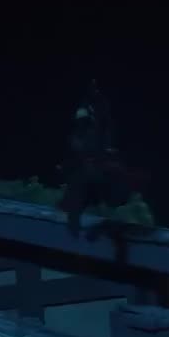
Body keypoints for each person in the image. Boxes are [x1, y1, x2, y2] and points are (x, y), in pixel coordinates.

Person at [56, 80, 147, 235]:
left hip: (101, 165)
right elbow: (79, 139)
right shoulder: (85, 114)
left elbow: (105, 137)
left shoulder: (103, 114)